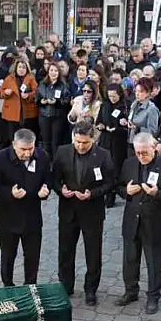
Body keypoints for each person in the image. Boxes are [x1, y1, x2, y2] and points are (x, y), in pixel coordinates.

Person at [115, 133, 161, 314]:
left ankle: (153, 297)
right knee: (129, 259)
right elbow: (120, 187)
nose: (141, 156)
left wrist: (158, 194)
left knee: (154, 262)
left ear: (154, 147)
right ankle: (131, 291)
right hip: (131, 220)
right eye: (137, 153)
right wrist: (126, 191)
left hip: (154, 221)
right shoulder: (129, 163)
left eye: (144, 152)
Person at [53, 121, 115, 304]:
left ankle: (90, 289)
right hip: (68, 210)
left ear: (93, 140)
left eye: (85, 143)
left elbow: (110, 182)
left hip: (92, 212)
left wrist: (92, 194)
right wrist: (60, 190)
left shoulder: (103, 155)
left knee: (93, 253)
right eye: (77, 142)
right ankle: (65, 286)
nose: (80, 146)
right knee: (65, 252)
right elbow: (54, 178)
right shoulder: (62, 152)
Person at [0, 128, 50, 287]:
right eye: (23, 149)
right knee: (8, 256)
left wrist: (45, 190)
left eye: (31, 148)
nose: (28, 153)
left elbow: (47, 179)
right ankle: (8, 285)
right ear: (14, 145)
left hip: (33, 217)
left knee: (32, 257)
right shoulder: (0, 158)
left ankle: (30, 286)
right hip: (8, 218)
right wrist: (10, 193)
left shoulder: (42, 156)